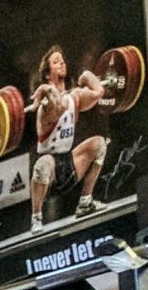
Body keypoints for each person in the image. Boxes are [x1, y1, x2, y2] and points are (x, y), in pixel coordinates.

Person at [27, 45, 111, 231]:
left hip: (70, 164)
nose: (62, 63)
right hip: (50, 174)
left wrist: (88, 76)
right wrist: (43, 90)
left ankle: (85, 202)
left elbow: (98, 93)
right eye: (56, 62)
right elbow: (60, 106)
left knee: (99, 144)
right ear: (48, 74)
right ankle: (36, 218)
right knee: (43, 164)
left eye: (62, 60)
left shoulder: (74, 97)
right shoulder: (47, 105)